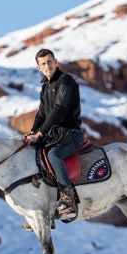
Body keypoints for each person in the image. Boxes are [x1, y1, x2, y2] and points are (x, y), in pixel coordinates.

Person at [23, 48, 84, 222]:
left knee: (54, 154)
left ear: (56, 62)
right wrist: (33, 132)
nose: (47, 66)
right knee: (33, 154)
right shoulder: (45, 87)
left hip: (71, 134)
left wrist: (41, 132)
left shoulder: (66, 82)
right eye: (43, 63)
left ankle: (68, 199)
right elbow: (42, 114)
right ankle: (44, 206)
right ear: (38, 67)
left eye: (50, 62)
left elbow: (59, 109)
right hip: (54, 135)